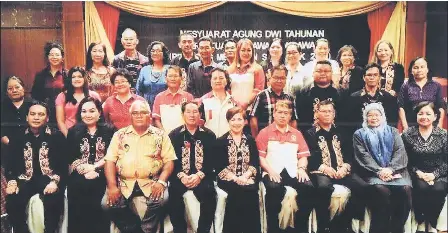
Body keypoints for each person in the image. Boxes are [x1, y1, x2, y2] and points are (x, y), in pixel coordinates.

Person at [102, 100, 176, 233]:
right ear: (130, 116)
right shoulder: (119, 135)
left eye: (143, 112)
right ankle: (135, 230)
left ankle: (146, 229)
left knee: (161, 200)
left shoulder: (160, 135)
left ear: (150, 115)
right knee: (106, 204)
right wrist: (112, 186)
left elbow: (169, 161)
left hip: (151, 182)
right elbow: (109, 161)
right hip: (124, 182)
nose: (139, 116)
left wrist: (161, 181)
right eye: (135, 113)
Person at [304, 100, 368, 233]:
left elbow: (350, 154)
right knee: (323, 188)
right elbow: (310, 156)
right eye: (324, 111)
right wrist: (324, 168)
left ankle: (346, 222)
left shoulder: (342, 132)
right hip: (320, 171)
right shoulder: (310, 133)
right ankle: (324, 226)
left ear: (334, 114)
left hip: (342, 171)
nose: (327, 114)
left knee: (362, 187)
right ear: (317, 114)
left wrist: (345, 167)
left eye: (330, 111)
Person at [5, 101, 66, 233]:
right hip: (25, 179)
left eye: (41, 114)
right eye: (32, 114)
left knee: (53, 199)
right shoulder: (17, 137)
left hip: (49, 179)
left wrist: (55, 182)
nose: (36, 117)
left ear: (47, 118)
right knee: (12, 200)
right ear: (27, 117)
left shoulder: (56, 136)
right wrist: (12, 181)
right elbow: (10, 164)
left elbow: (62, 165)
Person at [353, 103, 412, 233]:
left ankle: (396, 228)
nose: (374, 118)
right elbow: (363, 156)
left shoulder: (393, 131)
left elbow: (400, 152)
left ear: (382, 115)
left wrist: (390, 169)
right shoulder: (359, 134)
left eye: (377, 114)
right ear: (365, 117)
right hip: (372, 173)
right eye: (370, 115)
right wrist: (379, 170)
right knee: (381, 192)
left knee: (405, 190)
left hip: (396, 172)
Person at [256, 100, 314, 233]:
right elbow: (261, 158)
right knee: (274, 189)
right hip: (271, 171)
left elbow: (303, 156)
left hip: (293, 171)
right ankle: (274, 229)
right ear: (274, 114)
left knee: (309, 188)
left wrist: (301, 168)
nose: (282, 116)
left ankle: (299, 227)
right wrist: (270, 171)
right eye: (280, 112)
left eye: (286, 113)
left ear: (290, 116)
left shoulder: (297, 134)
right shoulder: (264, 133)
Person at [66, 97, 114, 233]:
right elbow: (70, 156)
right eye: (84, 111)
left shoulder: (110, 130)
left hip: (104, 172)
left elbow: (113, 154)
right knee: (77, 187)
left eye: (92, 111)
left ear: (99, 112)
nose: (87, 115)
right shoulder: (74, 131)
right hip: (80, 173)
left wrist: (95, 168)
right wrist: (83, 168)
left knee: (97, 191)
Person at [168, 101, 217, 233]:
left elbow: (212, 160)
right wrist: (181, 175)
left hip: (202, 176)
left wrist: (199, 175)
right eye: (188, 111)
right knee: (172, 195)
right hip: (180, 177)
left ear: (200, 114)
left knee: (210, 194)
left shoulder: (209, 135)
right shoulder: (174, 135)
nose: (192, 115)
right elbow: (171, 159)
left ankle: (203, 230)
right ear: (182, 114)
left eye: (195, 111)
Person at [402, 101, 447, 228]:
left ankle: (432, 222)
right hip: (416, 172)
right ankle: (420, 222)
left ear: (435, 117)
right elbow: (405, 160)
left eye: (428, 114)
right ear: (416, 116)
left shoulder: (443, 135)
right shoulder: (408, 134)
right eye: (420, 113)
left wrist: (434, 174)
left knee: (438, 189)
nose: (424, 117)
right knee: (422, 188)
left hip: (439, 172)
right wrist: (418, 172)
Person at [216, 107, 261, 233]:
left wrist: (245, 176)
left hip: (247, 178)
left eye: (239, 119)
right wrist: (236, 178)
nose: (236, 123)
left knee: (251, 192)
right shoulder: (221, 141)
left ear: (245, 121)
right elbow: (220, 166)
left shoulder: (250, 140)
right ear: (228, 122)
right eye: (233, 119)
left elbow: (254, 162)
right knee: (237, 192)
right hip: (228, 180)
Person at [345, 63, 398, 131]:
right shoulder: (354, 97)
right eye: (369, 75)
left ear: (379, 77)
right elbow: (350, 122)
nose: (372, 77)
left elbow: (392, 122)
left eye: (375, 75)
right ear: (364, 77)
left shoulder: (388, 98)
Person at [398, 57, 447, 130]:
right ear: (411, 70)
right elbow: (401, 107)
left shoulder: (436, 85)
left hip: (432, 125)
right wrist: (405, 127)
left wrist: (439, 125)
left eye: (422, 67)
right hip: (412, 125)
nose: (419, 70)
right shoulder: (405, 86)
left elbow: (441, 106)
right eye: (416, 67)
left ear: (427, 69)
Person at [250, 65, 297, 138]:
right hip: (265, 138)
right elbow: (253, 119)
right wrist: (256, 138)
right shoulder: (261, 96)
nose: (279, 81)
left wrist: (292, 137)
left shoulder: (290, 98)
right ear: (270, 78)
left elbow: (293, 121)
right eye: (276, 77)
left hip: (285, 138)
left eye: (282, 78)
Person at [295, 60, 341, 132]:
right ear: (313, 73)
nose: (323, 73)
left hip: (335, 135)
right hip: (310, 135)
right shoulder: (303, 93)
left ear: (332, 73)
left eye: (326, 71)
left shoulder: (340, 92)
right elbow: (302, 119)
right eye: (319, 71)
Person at [56, 66, 101, 137]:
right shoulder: (62, 96)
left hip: (91, 134)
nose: (76, 79)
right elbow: (60, 121)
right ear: (70, 80)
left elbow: (99, 118)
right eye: (73, 77)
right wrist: (68, 136)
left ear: (84, 78)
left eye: (80, 76)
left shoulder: (94, 95)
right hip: (69, 134)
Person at [31, 41, 67, 125]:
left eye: (57, 55)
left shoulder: (68, 75)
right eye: (51, 54)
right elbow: (35, 96)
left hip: (63, 114)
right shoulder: (40, 75)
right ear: (47, 57)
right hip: (45, 115)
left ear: (62, 58)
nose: (54, 57)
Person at [152, 65, 194, 133]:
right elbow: (156, 120)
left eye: (175, 76)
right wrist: (164, 135)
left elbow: (192, 119)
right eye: (170, 76)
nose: (173, 79)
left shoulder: (189, 97)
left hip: (184, 137)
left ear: (181, 78)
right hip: (164, 137)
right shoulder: (159, 97)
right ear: (166, 78)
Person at [227, 38, 266, 110]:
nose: (246, 53)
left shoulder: (258, 69)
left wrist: (246, 104)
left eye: (249, 50)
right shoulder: (229, 69)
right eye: (243, 50)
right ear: (238, 52)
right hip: (232, 109)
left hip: (251, 109)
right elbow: (227, 90)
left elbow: (258, 90)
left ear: (252, 52)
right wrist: (235, 104)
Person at [199, 67, 238, 138]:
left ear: (226, 81)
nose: (218, 80)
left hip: (228, 142)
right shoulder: (204, 101)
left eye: (221, 78)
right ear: (210, 82)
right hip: (208, 142)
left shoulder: (233, 102)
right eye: (215, 78)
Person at [137, 41, 170, 108]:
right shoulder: (144, 70)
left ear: (164, 53)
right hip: (146, 107)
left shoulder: (169, 69)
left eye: (158, 51)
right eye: (153, 51)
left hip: (165, 105)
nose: (155, 53)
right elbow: (139, 91)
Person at [1, 76, 33, 147]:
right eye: (10, 88)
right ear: (6, 92)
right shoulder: (2, 106)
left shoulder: (33, 105)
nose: (14, 90)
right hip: (7, 146)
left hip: (32, 145)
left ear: (23, 88)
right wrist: (6, 140)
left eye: (17, 87)